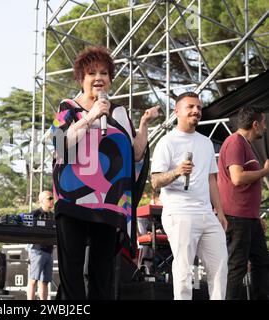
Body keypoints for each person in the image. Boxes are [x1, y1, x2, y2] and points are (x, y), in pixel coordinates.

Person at [50, 46, 159, 299]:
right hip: (72, 199)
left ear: (110, 79)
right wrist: (91, 116)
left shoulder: (119, 111)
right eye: (91, 73)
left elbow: (136, 155)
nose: (98, 77)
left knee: (103, 272)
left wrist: (143, 125)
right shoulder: (66, 107)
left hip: (109, 202)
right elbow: (58, 146)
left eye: (104, 73)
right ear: (81, 78)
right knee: (72, 270)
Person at [151, 91, 228, 300]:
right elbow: (155, 181)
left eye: (199, 108)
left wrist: (220, 212)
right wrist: (177, 171)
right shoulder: (167, 142)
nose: (196, 111)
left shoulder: (205, 142)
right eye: (191, 107)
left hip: (206, 213)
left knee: (220, 267)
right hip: (179, 212)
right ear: (177, 111)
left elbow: (211, 179)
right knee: (184, 270)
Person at [217, 106, 269, 300]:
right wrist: (264, 172)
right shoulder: (235, 142)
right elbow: (237, 178)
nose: (264, 128)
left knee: (262, 263)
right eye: (263, 124)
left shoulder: (244, 144)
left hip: (249, 218)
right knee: (237, 267)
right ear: (255, 124)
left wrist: (256, 216)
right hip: (237, 217)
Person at [27, 191, 55, 300]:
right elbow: (26, 229)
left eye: (53, 198)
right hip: (37, 250)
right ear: (41, 201)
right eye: (50, 198)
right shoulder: (34, 214)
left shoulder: (53, 215)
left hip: (49, 251)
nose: (52, 200)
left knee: (45, 282)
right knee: (33, 280)